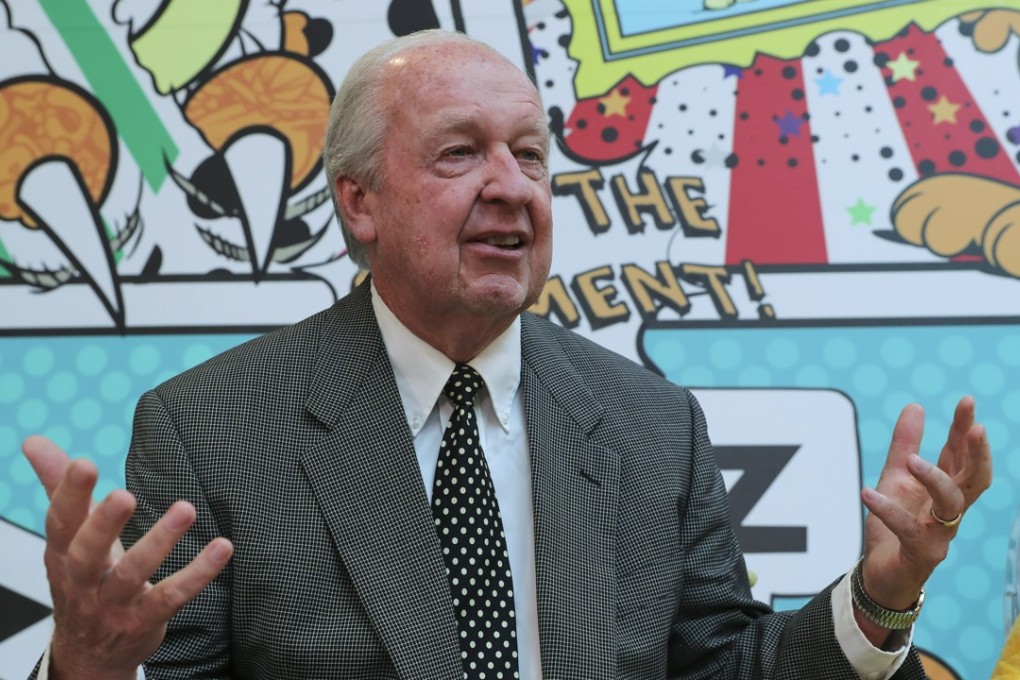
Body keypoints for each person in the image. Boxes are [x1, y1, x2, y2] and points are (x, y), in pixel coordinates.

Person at [24, 29, 992, 680]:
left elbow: (721, 666)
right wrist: (84, 661)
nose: (511, 188)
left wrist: (878, 597)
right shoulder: (213, 426)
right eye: (459, 153)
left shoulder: (652, 422)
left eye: (529, 156)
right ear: (359, 202)